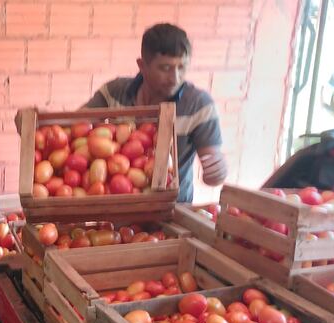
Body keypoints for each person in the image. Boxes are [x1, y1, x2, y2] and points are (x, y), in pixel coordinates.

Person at [82, 23, 227, 203]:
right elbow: (75, 126)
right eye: (165, 68)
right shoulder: (114, 92)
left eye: (182, 67)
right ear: (142, 66)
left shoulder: (199, 105)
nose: (175, 78)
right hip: (118, 212)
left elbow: (213, 168)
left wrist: (218, 170)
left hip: (173, 215)